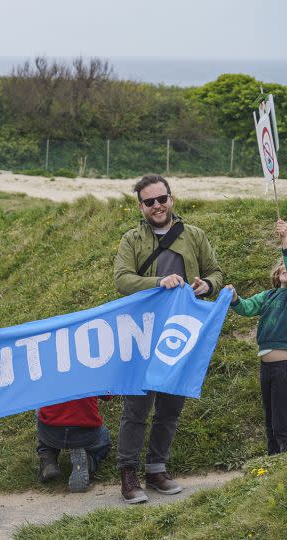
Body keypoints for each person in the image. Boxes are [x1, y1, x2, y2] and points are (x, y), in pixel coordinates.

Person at [113, 174, 222, 504]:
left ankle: (157, 469)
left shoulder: (195, 235)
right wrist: (159, 282)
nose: (157, 206)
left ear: (171, 199)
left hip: (181, 334)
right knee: (136, 408)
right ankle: (128, 475)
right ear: (141, 206)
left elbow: (215, 272)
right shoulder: (131, 240)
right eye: (150, 202)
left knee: (170, 407)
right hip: (143, 334)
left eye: (162, 199)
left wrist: (208, 286)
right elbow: (122, 280)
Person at [226, 219, 287, 456]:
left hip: (284, 367)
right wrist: (234, 299)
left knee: (283, 417)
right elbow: (247, 307)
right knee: (271, 416)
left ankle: (283, 458)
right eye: (282, 266)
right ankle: (274, 457)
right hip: (267, 368)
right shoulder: (269, 296)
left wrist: (284, 240)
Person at [36, 396, 113, 492]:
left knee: (39, 407)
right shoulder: (93, 379)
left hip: (52, 432)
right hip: (85, 432)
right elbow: (107, 396)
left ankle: (47, 458)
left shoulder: (46, 379)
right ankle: (89, 460)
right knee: (104, 438)